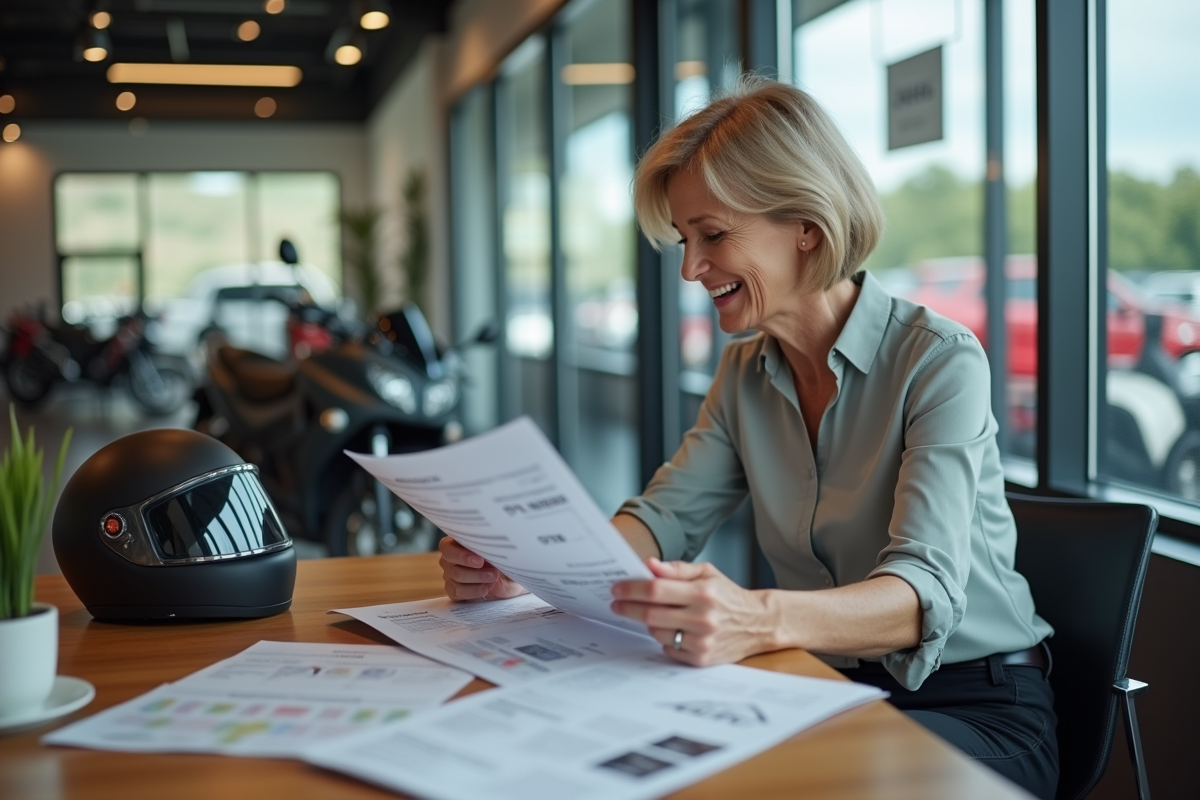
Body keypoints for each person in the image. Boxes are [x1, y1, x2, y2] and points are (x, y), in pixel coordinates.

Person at [438, 75, 1058, 799]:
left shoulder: (939, 360)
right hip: (821, 687)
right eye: (684, 239)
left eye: (713, 235)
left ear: (805, 224)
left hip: (978, 709)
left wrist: (755, 617)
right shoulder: (745, 372)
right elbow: (665, 520)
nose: (691, 268)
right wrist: (534, 567)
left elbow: (920, 595)